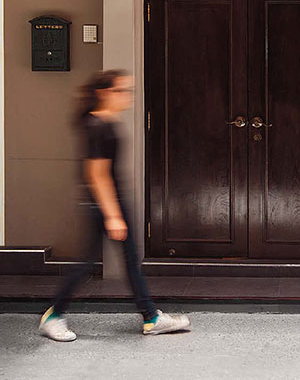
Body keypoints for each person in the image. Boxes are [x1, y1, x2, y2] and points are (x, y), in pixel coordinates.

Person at [39, 69, 191, 341]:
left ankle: (151, 317)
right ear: (104, 93)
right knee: (87, 264)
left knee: (130, 261)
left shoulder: (106, 122)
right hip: (103, 204)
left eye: (128, 90)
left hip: (112, 202)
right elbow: (96, 176)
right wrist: (113, 215)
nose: (126, 96)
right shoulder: (97, 126)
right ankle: (53, 317)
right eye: (121, 90)